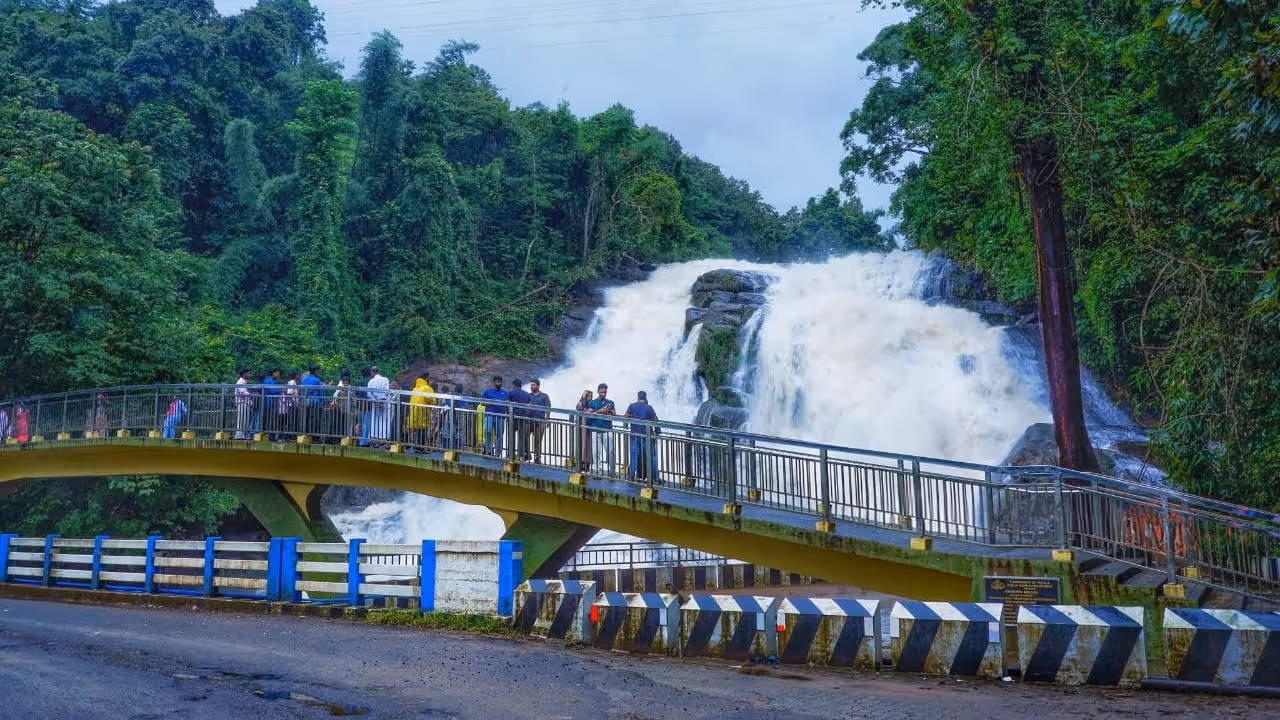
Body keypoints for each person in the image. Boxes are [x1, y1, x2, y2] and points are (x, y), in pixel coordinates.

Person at [625, 391, 661, 482]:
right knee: (651, 456)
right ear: (645, 398)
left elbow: (626, 417)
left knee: (634, 456)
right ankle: (656, 477)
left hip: (635, 435)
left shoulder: (632, 406)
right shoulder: (649, 408)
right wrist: (657, 431)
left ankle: (631, 476)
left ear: (638, 397)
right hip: (647, 436)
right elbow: (655, 421)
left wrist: (625, 425)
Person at [588, 383, 617, 474]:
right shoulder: (592, 402)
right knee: (596, 452)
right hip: (595, 430)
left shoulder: (611, 402)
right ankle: (597, 471)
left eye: (605, 392)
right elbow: (588, 415)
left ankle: (612, 471)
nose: (603, 394)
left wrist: (610, 410)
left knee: (610, 451)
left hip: (607, 430)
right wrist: (600, 411)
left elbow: (615, 415)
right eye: (602, 392)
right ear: (598, 392)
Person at [481, 376, 509, 457]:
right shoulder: (488, 392)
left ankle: (497, 453)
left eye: (500, 382)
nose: (499, 383)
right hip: (489, 415)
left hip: (501, 417)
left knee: (499, 435)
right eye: (497, 382)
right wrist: (493, 402)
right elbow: (482, 403)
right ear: (494, 382)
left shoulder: (505, 393)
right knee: (488, 432)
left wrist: (507, 415)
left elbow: (508, 405)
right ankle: (489, 451)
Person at [527, 380, 552, 464]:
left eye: (533, 385)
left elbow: (548, 408)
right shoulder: (528, 395)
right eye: (531, 385)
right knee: (525, 438)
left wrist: (547, 419)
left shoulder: (544, 396)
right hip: (529, 420)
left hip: (540, 421)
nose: (531, 386)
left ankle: (537, 457)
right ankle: (527, 454)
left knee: (538, 440)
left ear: (538, 386)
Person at [507, 379, 532, 460]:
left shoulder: (511, 393)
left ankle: (510, 454)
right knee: (521, 437)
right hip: (522, 418)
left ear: (514, 385)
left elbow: (507, 404)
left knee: (511, 435)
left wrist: (507, 415)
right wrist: (526, 415)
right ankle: (520, 455)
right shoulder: (527, 394)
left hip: (513, 418)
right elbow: (530, 407)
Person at [366, 366, 391, 445]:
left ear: (372, 372)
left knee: (375, 421)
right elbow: (387, 391)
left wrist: (376, 401)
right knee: (384, 421)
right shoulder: (385, 379)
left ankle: (375, 439)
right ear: (379, 371)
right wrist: (381, 401)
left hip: (375, 404)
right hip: (384, 404)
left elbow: (369, 394)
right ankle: (384, 438)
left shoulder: (371, 381)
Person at [408, 373, 434, 447]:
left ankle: (416, 446)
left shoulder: (415, 388)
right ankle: (420, 447)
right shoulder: (427, 388)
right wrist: (434, 400)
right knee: (423, 430)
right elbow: (430, 399)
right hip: (423, 412)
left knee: (418, 430)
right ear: (426, 378)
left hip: (414, 412)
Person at [301, 365, 325, 437]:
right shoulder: (316, 380)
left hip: (305, 401)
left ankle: (305, 433)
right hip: (315, 402)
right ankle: (315, 436)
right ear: (316, 371)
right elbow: (320, 392)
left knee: (306, 418)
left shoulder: (304, 379)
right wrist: (322, 402)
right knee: (316, 419)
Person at [329, 371, 352, 442]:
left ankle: (336, 439)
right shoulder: (341, 386)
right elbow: (338, 396)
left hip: (343, 408)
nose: (346, 383)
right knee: (338, 423)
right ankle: (335, 439)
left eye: (347, 381)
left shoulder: (344, 386)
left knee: (339, 424)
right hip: (339, 408)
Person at [574, 390, 594, 471]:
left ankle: (586, 465)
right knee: (581, 445)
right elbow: (578, 407)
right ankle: (580, 463)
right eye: (588, 396)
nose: (589, 398)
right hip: (581, 427)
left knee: (587, 446)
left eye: (590, 396)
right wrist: (583, 398)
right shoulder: (581, 402)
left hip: (588, 427)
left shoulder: (591, 404)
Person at [234, 369, 253, 439]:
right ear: (244, 374)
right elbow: (242, 392)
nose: (249, 375)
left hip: (246, 403)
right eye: (248, 373)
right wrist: (251, 394)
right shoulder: (240, 382)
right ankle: (239, 435)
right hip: (242, 403)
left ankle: (243, 434)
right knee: (241, 419)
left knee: (245, 419)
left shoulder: (244, 382)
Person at [263, 369, 282, 439]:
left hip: (270, 403)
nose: (278, 375)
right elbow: (273, 391)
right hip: (270, 403)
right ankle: (271, 435)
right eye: (277, 374)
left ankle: (271, 435)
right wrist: (280, 390)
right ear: (273, 373)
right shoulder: (269, 381)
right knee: (272, 419)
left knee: (270, 419)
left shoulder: (270, 381)